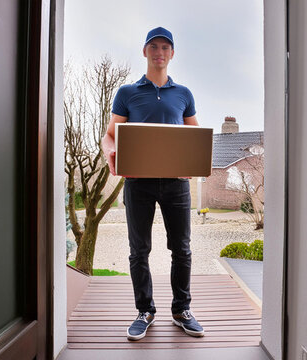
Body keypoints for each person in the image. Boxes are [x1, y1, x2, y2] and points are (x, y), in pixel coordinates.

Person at [101, 26, 205, 341]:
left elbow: (195, 137)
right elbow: (109, 136)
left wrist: (193, 163)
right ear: (145, 52)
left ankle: (181, 310)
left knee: (182, 249)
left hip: (176, 185)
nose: (159, 52)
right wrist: (112, 155)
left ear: (171, 54)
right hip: (138, 183)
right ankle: (144, 311)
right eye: (153, 47)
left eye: (165, 47)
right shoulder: (126, 92)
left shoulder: (184, 94)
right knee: (139, 250)